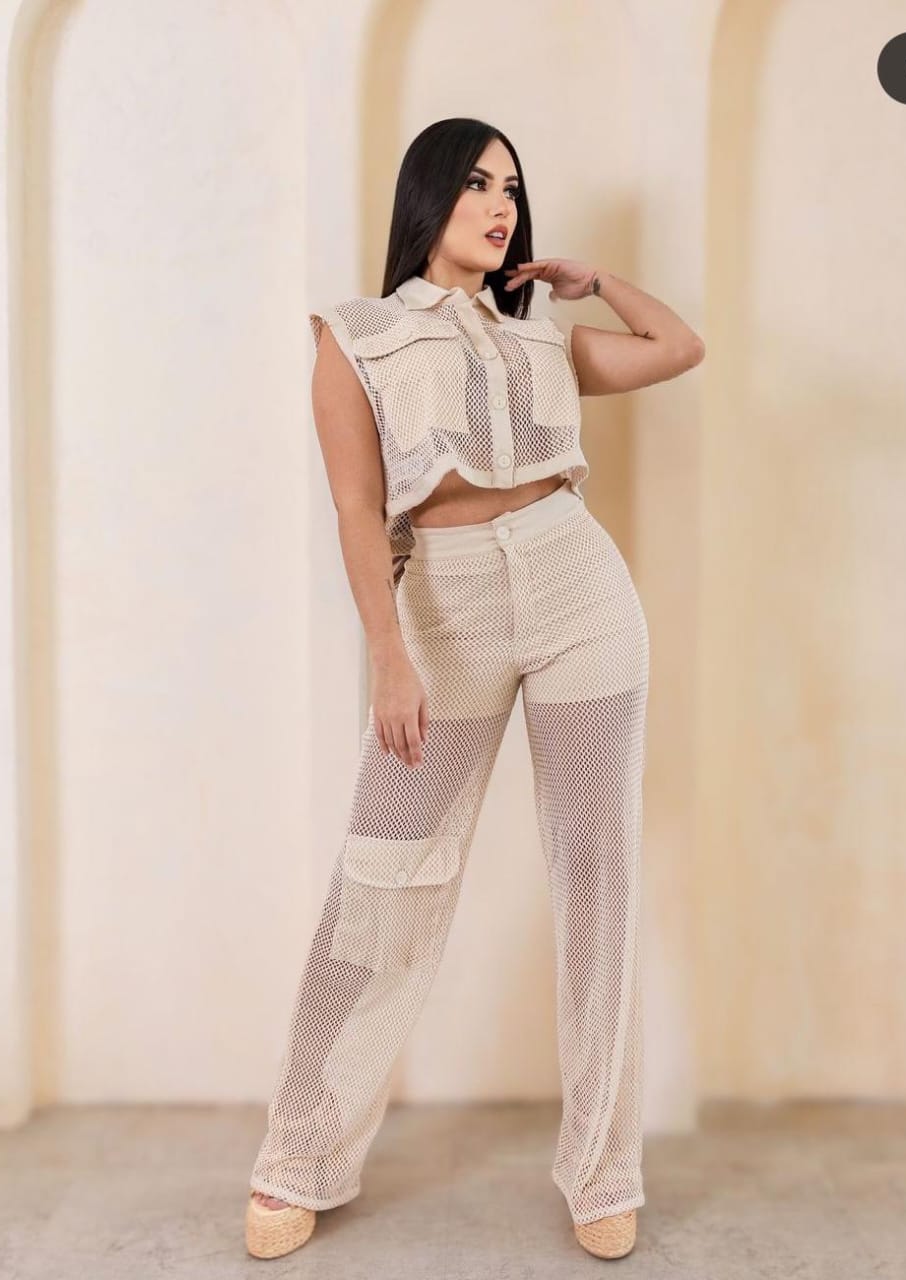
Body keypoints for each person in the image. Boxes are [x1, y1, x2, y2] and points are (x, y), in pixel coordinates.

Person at [244, 117, 705, 1263]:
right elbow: (358, 510)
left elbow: (678, 345)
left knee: (598, 876)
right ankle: (299, 1154)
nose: (500, 203)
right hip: (443, 605)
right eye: (475, 182)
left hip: (577, 582)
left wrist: (597, 282)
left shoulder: (539, 335)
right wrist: (387, 652)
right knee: (383, 875)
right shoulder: (355, 336)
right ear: (427, 196)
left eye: (511, 186)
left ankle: (601, 1169)